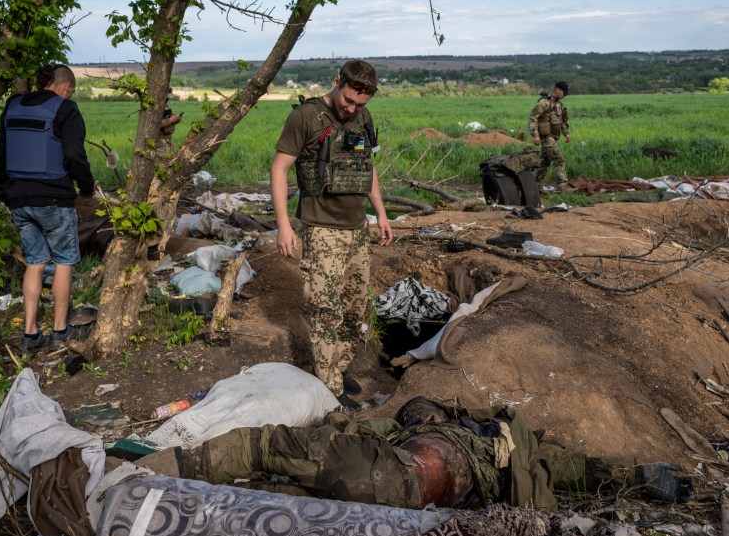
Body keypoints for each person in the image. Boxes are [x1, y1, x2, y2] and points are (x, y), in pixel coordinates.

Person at [157, 396, 693, 511]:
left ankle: (163, 471)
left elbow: (582, 468)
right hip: (391, 482)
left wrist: (641, 475)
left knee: (268, 445)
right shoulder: (394, 429)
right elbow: (355, 426)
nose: (415, 415)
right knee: (274, 495)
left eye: (419, 411)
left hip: (405, 478)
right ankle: (175, 490)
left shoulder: (502, 443)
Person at [270, 60, 392, 404]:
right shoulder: (305, 117)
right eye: (348, 100)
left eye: (360, 104)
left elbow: (366, 168)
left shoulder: (363, 118)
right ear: (337, 81)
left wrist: (381, 213)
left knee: (354, 309)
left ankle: (338, 368)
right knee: (326, 309)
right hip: (321, 229)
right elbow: (279, 169)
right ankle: (330, 388)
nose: (351, 109)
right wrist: (283, 225)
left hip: (357, 229)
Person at [0, 63, 96, 353]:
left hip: (19, 200)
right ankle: (60, 331)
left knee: (35, 262)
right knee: (63, 261)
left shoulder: (14, 106)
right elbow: (75, 154)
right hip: (54, 199)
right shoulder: (65, 109)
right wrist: (87, 187)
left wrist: (5, 195)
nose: (69, 96)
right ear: (64, 87)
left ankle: (29, 334)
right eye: (70, 91)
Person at [527, 81, 572, 190]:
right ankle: (563, 185)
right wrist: (535, 135)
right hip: (546, 137)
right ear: (558, 91)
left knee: (544, 162)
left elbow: (562, 121)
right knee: (558, 159)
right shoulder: (544, 103)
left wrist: (566, 133)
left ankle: (534, 183)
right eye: (564, 93)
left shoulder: (560, 105)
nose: (565, 95)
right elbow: (532, 119)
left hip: (553, 137)